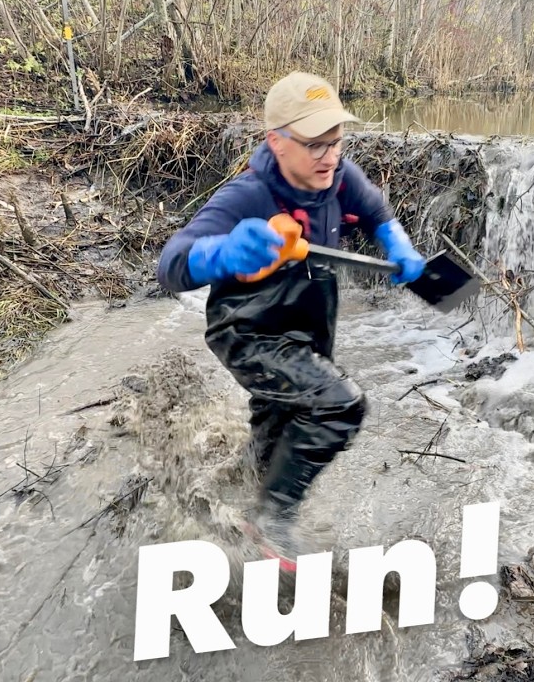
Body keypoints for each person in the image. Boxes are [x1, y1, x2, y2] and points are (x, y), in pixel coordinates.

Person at [156, 72, 427, 571]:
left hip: (308, 327)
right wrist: (221, 252)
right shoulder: (248, 196)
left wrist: (397, 243)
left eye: (336, 141)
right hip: (248, 331)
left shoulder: (341, 178)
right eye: (314, 144)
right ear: (277, 142)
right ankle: (273, 519)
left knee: (280, 423)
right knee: (339, 404)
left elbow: (376, 213)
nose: (329, 156)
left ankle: (239, 501)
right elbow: (170, 264)